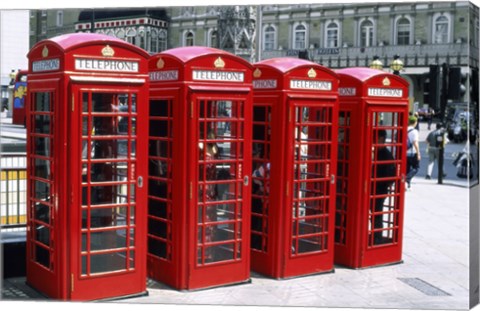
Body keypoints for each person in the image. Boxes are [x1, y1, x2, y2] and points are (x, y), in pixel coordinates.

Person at [372, 129, 396, 244]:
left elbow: (392, 175)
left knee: (377, 215)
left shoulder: (386, 155)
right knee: (373, 214)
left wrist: (384, 185)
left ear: (381, 139)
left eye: (374, 138)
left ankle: (377, 237)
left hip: (379, 189)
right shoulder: (373, 152)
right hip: (371, 188)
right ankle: (374, 236)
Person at [406, 116, 421, 190]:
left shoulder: (404, 129)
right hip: (412, 153)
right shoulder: (414, 131)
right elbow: (415, 143)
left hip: (404, 153)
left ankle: (407, 185)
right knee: (416, 168)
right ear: (415, 122)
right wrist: (418, 153)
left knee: (407, 169)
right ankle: (406, 179)